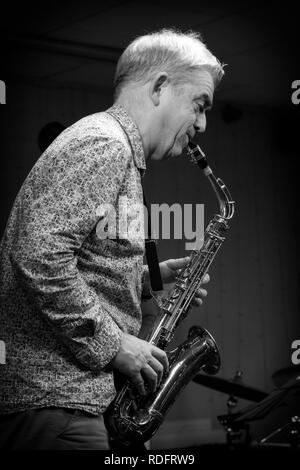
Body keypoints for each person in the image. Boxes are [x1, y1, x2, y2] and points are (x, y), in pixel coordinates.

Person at [0, 28, 224, 450]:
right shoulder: (104, 145)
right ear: (160, 87)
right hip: (56, 398)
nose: (202, 123)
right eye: (199, 105)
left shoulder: (113, 147)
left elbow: (73, 258)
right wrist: (114, 343)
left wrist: (147, 278)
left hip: (69, 397)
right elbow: (37, 257)